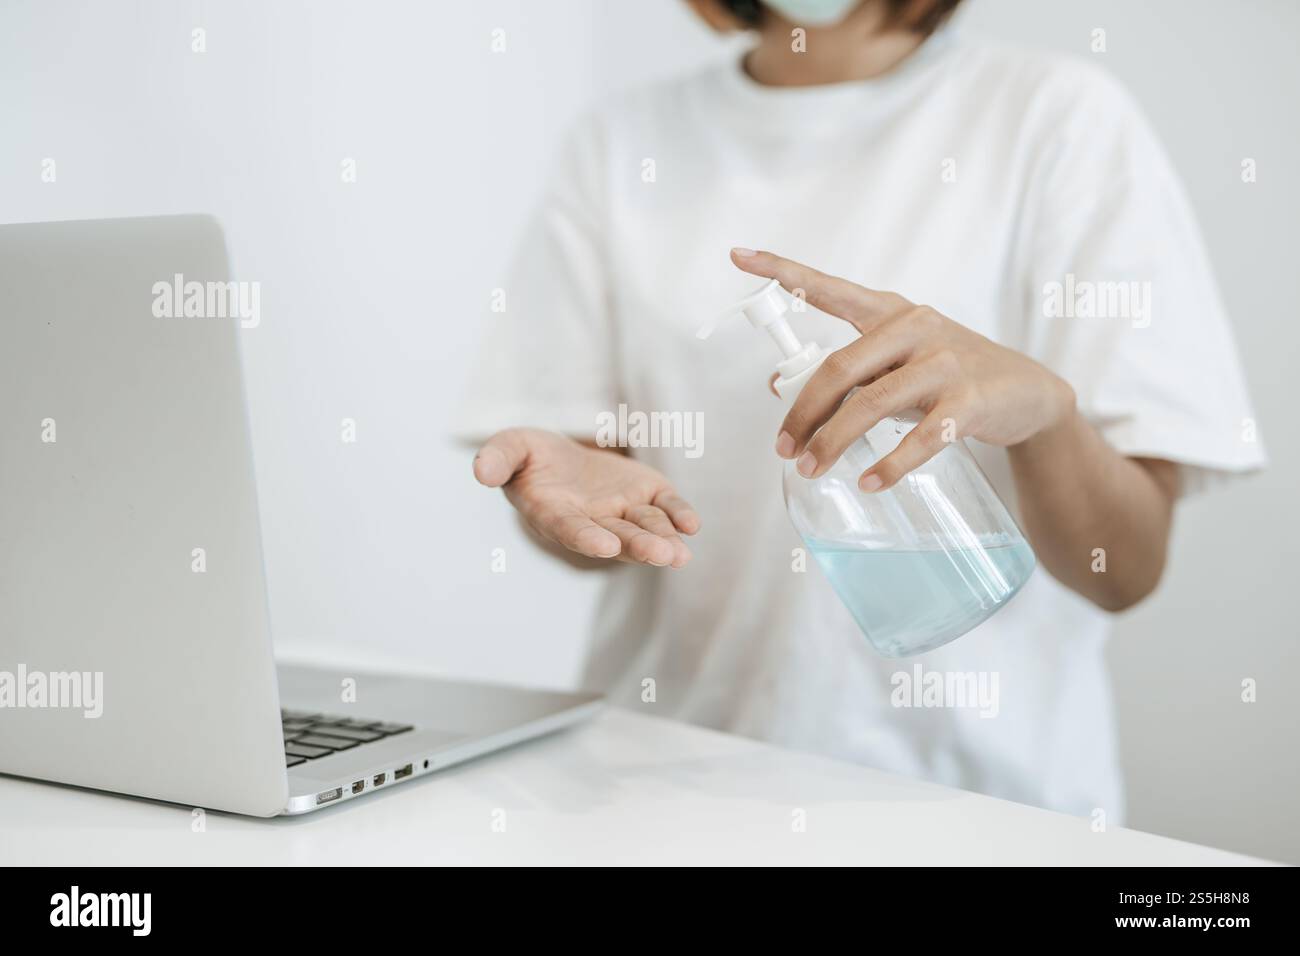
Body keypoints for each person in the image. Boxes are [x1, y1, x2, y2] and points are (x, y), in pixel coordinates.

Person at [460, 0, 1264, 819]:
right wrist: (574, 495)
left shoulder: (1058, 117)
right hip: (679, 783)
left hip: (988, 811)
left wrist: (1045, 416)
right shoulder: (620, 143)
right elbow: (602, 520)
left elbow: (1124, 571)